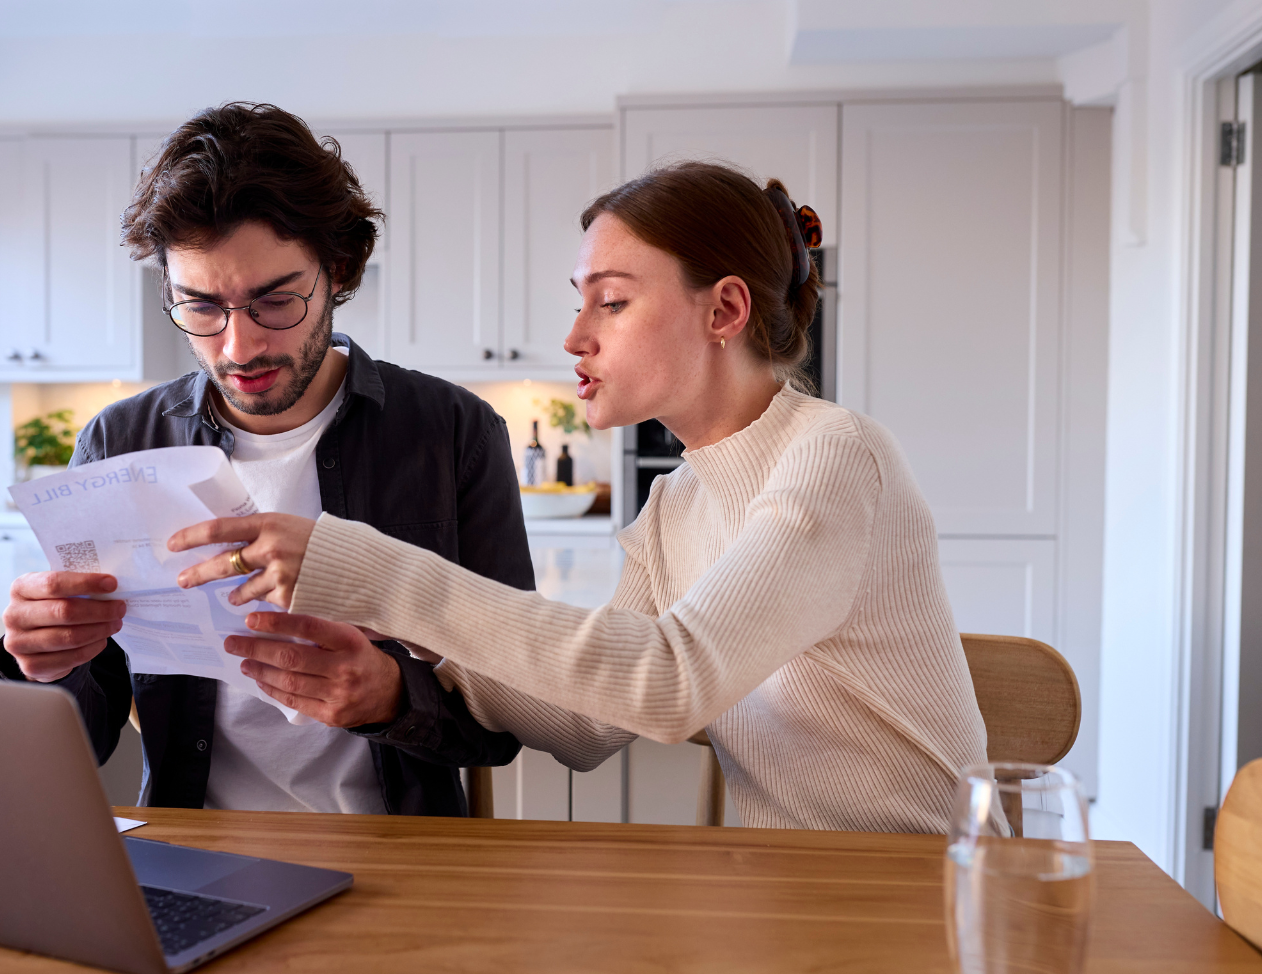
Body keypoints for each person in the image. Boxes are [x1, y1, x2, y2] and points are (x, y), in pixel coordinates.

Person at [171, 162, 990, 834]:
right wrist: (403, 644)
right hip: (792, 900)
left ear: (725, 310)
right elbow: (585, 727)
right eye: (579, 298)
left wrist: (373, 571)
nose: (575, 336)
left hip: (925, 897)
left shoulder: (835, 456)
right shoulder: (678, 504)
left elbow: (670, 685)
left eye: (614, 300)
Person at [0, 103, 529, 817]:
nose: (238, 348)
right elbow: (82, 742)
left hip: (408, 857)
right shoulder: (119, 442)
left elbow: (509, 719)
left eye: (275, 302)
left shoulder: (454, 433)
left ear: (338, 269)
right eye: (201, 307)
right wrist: (44, 665)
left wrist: (393, 697)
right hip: (198, 846)